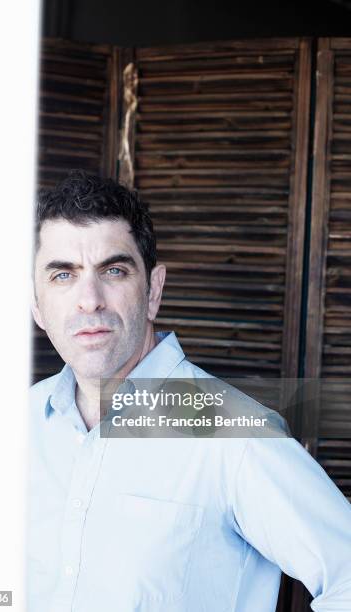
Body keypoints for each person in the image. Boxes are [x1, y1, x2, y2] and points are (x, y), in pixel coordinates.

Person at [28, 169, 351, 612]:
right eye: (63, 276)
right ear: (36, 304)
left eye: (114, 270)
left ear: (153, 290)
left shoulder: (235, 435)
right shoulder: (14, 425)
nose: (90, 299)